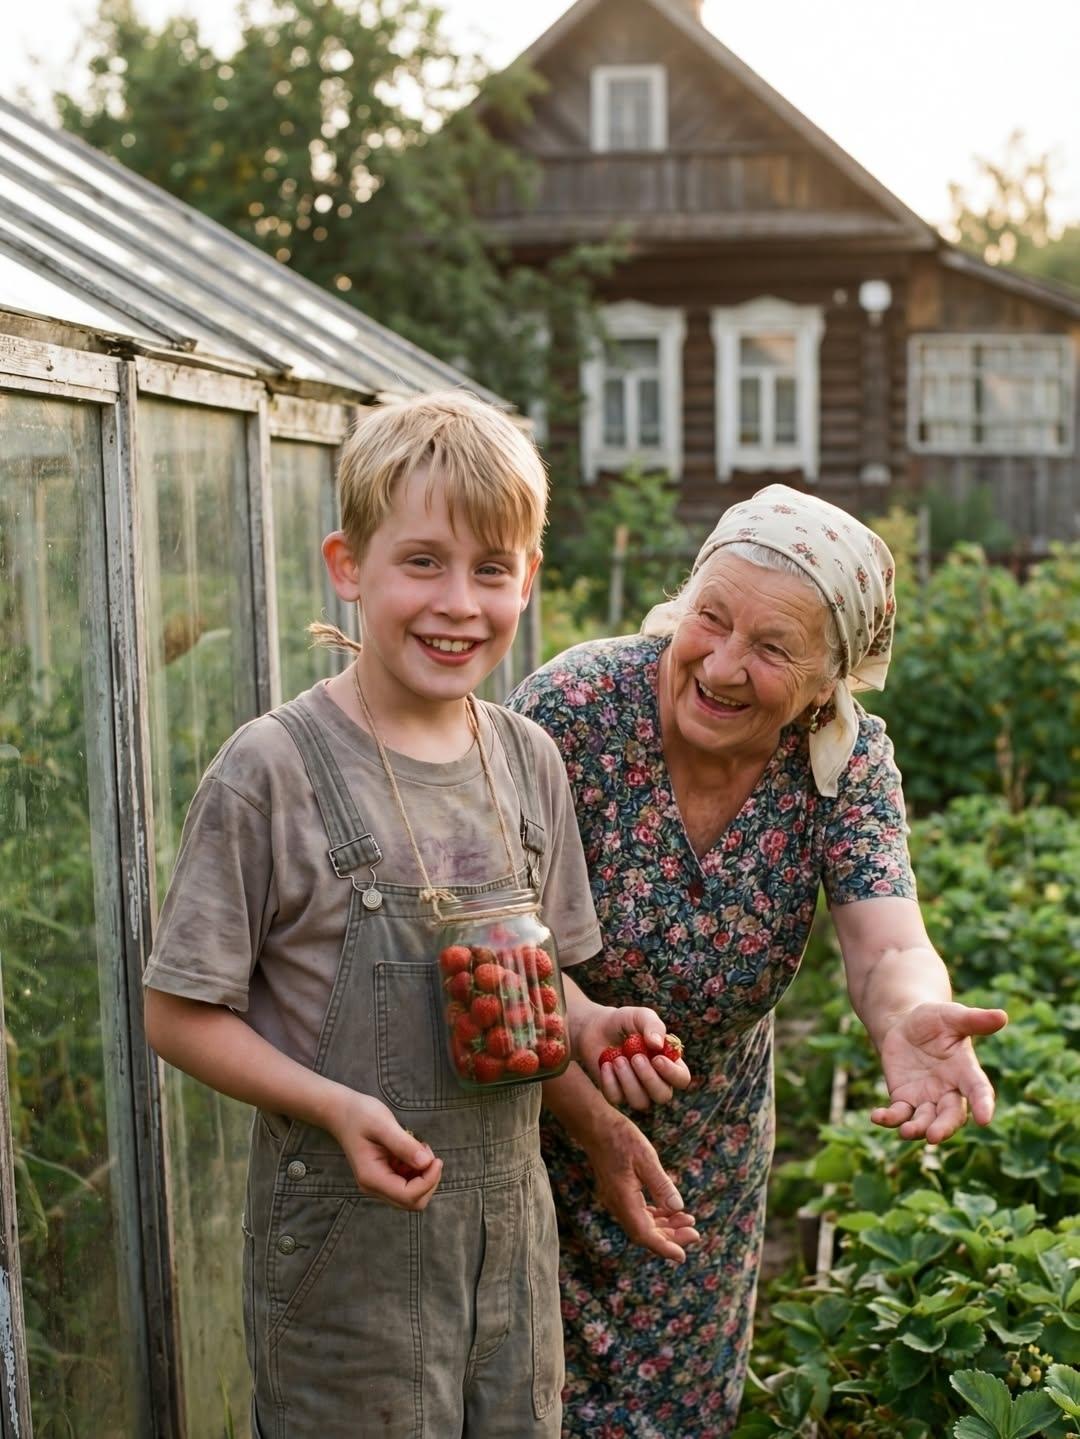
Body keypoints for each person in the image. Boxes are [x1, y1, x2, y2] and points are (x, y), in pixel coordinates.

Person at [142, 391, 691, 1439]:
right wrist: (334, 1106)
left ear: (529, 579)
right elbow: (178, 1014)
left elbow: (540, 981)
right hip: (345, 1260)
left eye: (491, 569)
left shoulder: (526, 760)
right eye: (423, 561)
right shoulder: (275, 770)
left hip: (511, 1250)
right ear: (348, 566)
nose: (458, 603)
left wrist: (590, 1023)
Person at [508, 483, 1009, 1439]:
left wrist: (910, 1013)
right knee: (511, 1399)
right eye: (711, 618)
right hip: (527, 1118)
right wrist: (590, 1112)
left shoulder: (844, 761)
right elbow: (487, 925)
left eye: (774, 648)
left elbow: (890, 942)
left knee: (673, 1411)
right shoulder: (573, 710)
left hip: (703, 1153)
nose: (724, 664)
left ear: (829, 682)